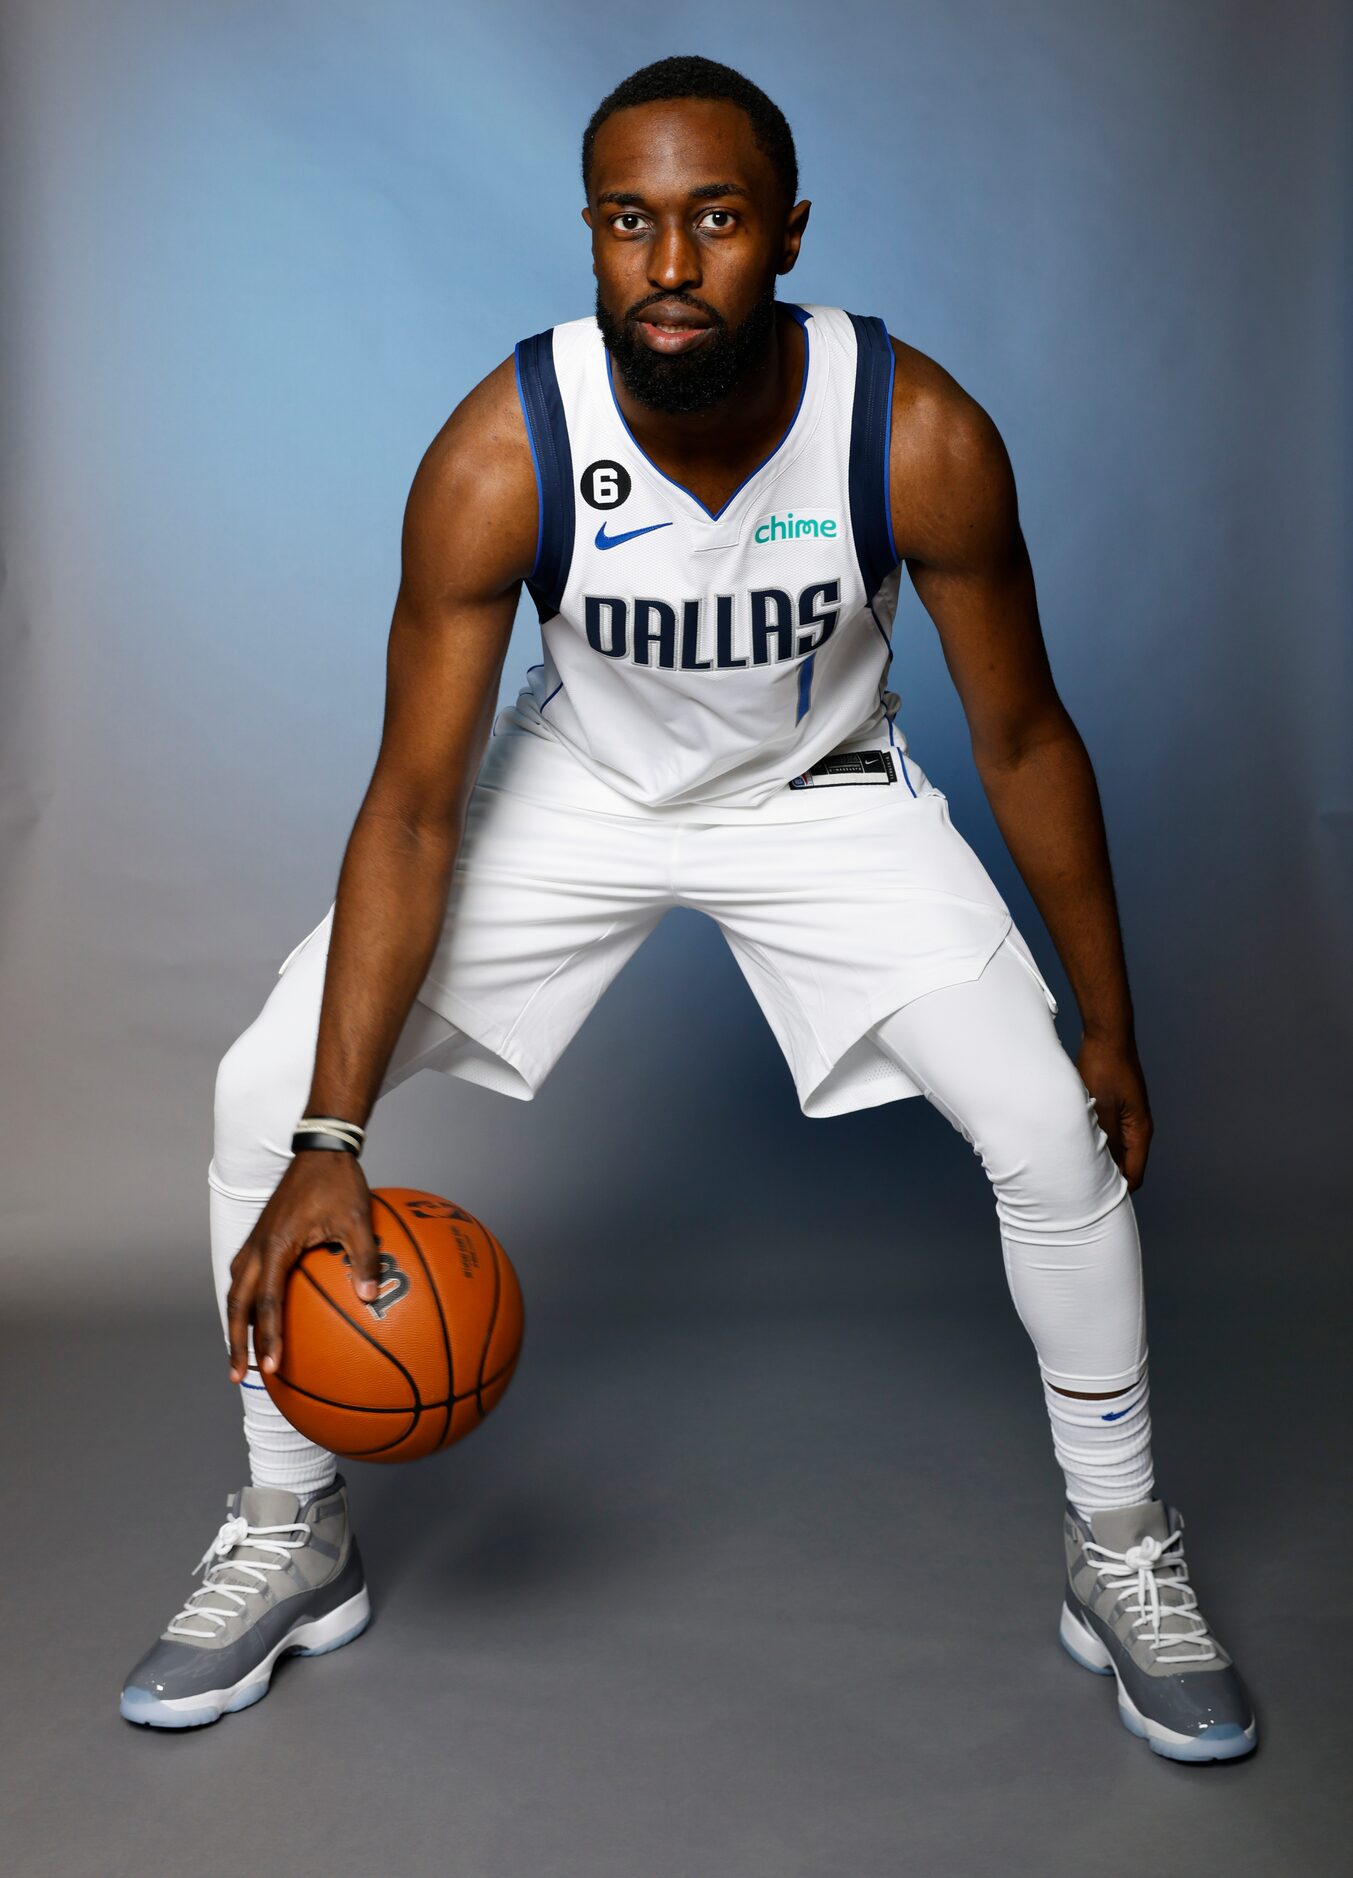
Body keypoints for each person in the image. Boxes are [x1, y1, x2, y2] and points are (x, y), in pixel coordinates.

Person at [120, 55, 1255, 1760]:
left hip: (821, 797)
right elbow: (415, 806)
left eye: (714, 221)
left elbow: (1022, 737)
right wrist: (334, 1124)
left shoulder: (913, 429)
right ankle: (295, 1522)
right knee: (253, 1095)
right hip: (576, 790)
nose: (669, 265)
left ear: (785, 232)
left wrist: (1106, 1020)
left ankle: (1120, 1549)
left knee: (1046, 1126)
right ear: (587, 235)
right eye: (631, 223)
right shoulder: (505, 450)